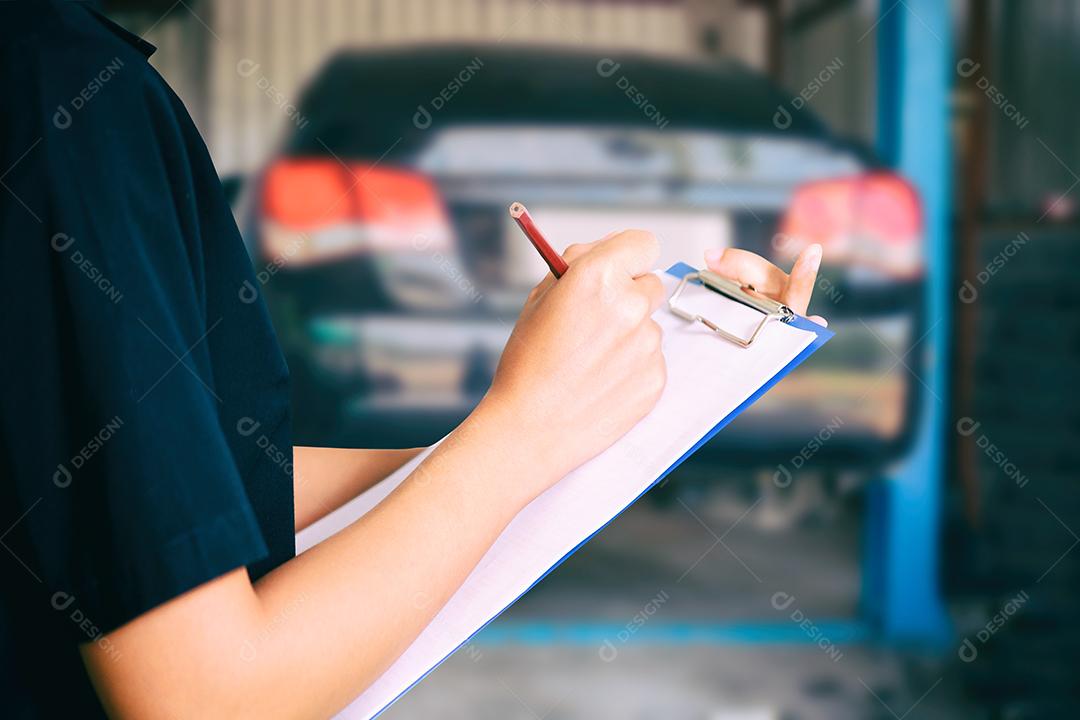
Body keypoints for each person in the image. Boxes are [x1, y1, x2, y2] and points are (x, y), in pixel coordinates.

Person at [0, 2, 824, 717]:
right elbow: (208, 699)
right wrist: (523, 431)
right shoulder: (64, 94)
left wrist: (611, 406)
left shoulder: (49, 74)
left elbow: (189, 501)